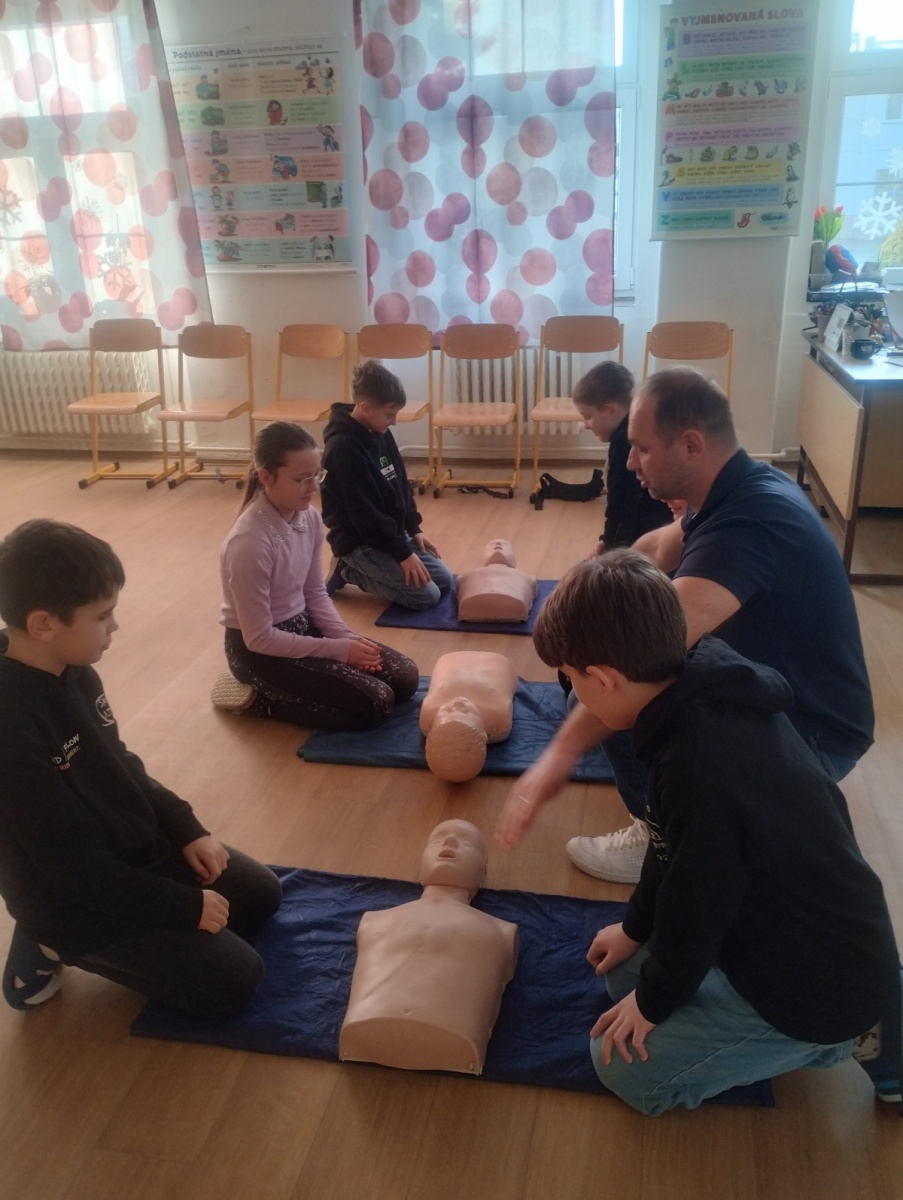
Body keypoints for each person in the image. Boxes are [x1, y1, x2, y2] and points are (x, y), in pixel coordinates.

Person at [530, 550, 901, 1115]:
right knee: (619, 974)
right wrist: (634, 928)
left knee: (619, 1066)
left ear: (603, 679)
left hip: (816, 985)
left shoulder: (700, 768)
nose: (574, 693)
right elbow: (668, 845)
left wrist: (654, 1003)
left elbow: (696, 904)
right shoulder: (691, 692)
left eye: (572, 679)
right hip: (770, 924)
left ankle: (843, 1039)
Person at [498, 366, 874, 885]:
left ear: (692, 445)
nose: (630, 462)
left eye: (642, 448)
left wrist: (557, 756)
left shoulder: (748, 524)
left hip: (815, 737)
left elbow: (635, 657)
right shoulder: (736, 487)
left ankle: (663, 842)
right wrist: (588, 584)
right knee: (593, 691)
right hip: (788, 695)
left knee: (612, 692)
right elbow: (655, 548)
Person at [0, 520, 282, 1017]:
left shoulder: (72, 667)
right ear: (43, 624)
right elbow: (73, 866)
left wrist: (185, 827)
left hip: (127, 856)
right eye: (102, 616)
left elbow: (119, 762)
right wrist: (181, 905)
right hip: (72, 896)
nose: (114, 627)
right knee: (235, 981)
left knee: (260, 895)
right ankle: (47, 941)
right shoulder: (11, 726)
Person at [216, 422, 418, 731]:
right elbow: (259, 638)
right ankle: (258, 700)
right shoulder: (248, 543)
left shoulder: (309, 517)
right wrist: (339, 651)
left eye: (317, 475)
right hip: (259, 651)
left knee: (406, 678)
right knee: (374, 703)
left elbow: (314, 592)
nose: (313, 487)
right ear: (266, 477)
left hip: (303, 627)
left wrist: (344, 637)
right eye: (302, 479)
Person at [340, 820, 518, 1074]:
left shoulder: (502, 933)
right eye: (437, 840)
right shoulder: (373, 920)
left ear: (483, 874)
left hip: (458, 1044)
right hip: (361, 1030)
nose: (449, 843)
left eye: (466, 843)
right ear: (420, 868)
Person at [321, 362, 453, 611]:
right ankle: (348, 569)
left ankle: (377, 561)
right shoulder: (343, 449)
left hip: (389, 533)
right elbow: (365, 515)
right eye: (389, 415)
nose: (394, 423)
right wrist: (403, 554)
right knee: (426, 597)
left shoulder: (378, 430)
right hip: (359, 542)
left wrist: (413, 528)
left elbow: (400, 483)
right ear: (365, 408)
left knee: (444, 581)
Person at [574, 362, 671, 558]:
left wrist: (609, 550)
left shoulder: (622, 443)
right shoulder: (643, 427)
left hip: (645, 538)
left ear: (610, 410)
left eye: (588, 416)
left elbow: (621, 505)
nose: (586, 425)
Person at [419, 651, 518, 782]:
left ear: (431, 729)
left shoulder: (428, 711)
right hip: (499, 661)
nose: (458, 704)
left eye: (447, 712)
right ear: (484, 735)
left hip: (450, 659)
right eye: (468, 713)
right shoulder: (498, 714)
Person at [456, 539, 537, 623]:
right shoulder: (465, 577)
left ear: (514, 561)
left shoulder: (527, 577)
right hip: (514, 606)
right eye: (491, 546)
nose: (498, 543)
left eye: (505, 545)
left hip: (515, 604)